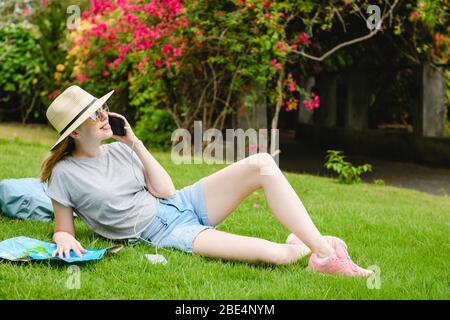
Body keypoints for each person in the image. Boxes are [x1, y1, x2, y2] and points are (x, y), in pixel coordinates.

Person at [40, 85, 373, 276]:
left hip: (180, 204)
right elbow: (64, 227)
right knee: (276, 256)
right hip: (166, 232)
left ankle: (325, 254)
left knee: (262, 163)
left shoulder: (121, 151)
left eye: (103, 109)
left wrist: (135, 142)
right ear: (75, 131)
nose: (104, 116)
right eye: (94, 113)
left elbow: (166, 191)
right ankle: (303, 246)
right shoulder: (64, 174)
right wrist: (62, 238)